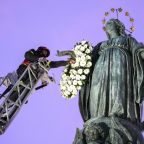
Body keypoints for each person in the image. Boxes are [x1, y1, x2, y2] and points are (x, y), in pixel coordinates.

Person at [79, 19, 144, 124]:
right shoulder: (101, 44)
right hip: (100, 67)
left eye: (110, 23)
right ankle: (98, 115)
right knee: (97, 90)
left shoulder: (128, 39)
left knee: (118, 87)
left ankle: (119, 114)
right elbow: (87, 60)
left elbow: (138, 50)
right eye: (107, 24)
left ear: (118, 26)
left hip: (120, 63)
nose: (108, 25)